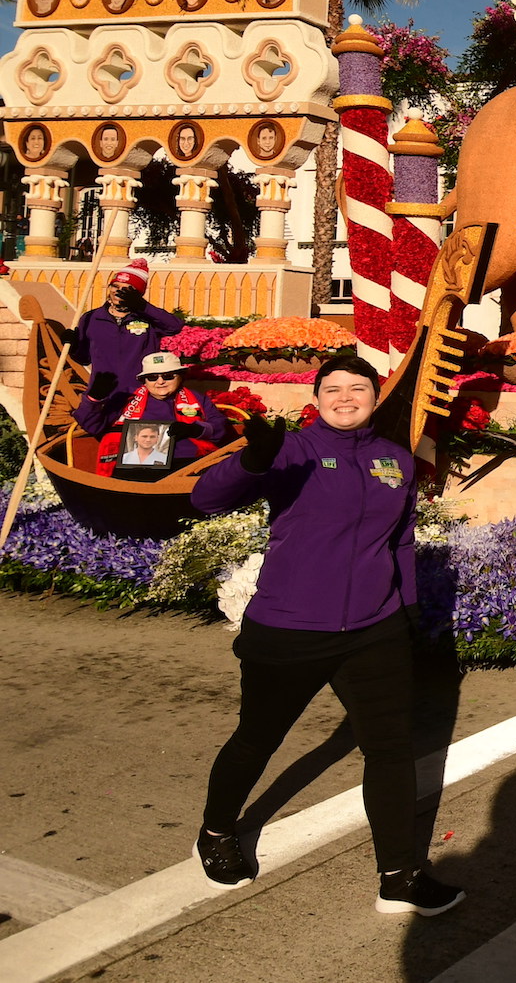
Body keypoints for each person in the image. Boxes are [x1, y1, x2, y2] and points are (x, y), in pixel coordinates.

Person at [187, 355, 465, 915]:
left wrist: (407, 613)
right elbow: (205, 499)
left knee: (390, 749)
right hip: (289, 627)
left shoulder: (395, 460)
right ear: (315, 397)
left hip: (374, 629)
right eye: (332, 388)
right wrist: (253, 461)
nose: (344, 397)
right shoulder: (292, 451)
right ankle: (216, 833)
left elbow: (401, 544)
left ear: (374, 395)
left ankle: (399, 876)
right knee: (257, 738)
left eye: (357, 388)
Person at [75, 350, 229, 474]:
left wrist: (195, 429)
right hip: (135, 469)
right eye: (152, 377)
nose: (160, 381)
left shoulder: (196, 398)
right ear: (144, 381)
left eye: (168, 376)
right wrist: (93, 400)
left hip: (188, 464)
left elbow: (221, 427)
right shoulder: (127, 397)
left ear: (180, 377)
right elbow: (92, 426)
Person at [74, 258, 185, 401]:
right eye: (115, 286)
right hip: (104, 394)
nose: (118, 292)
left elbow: (175, 326)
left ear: (137, 294)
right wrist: (73, 346)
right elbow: (83, 358)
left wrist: (142, 306)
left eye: (126, 289)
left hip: (141, 394)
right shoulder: (92, 318)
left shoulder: (148, 317)